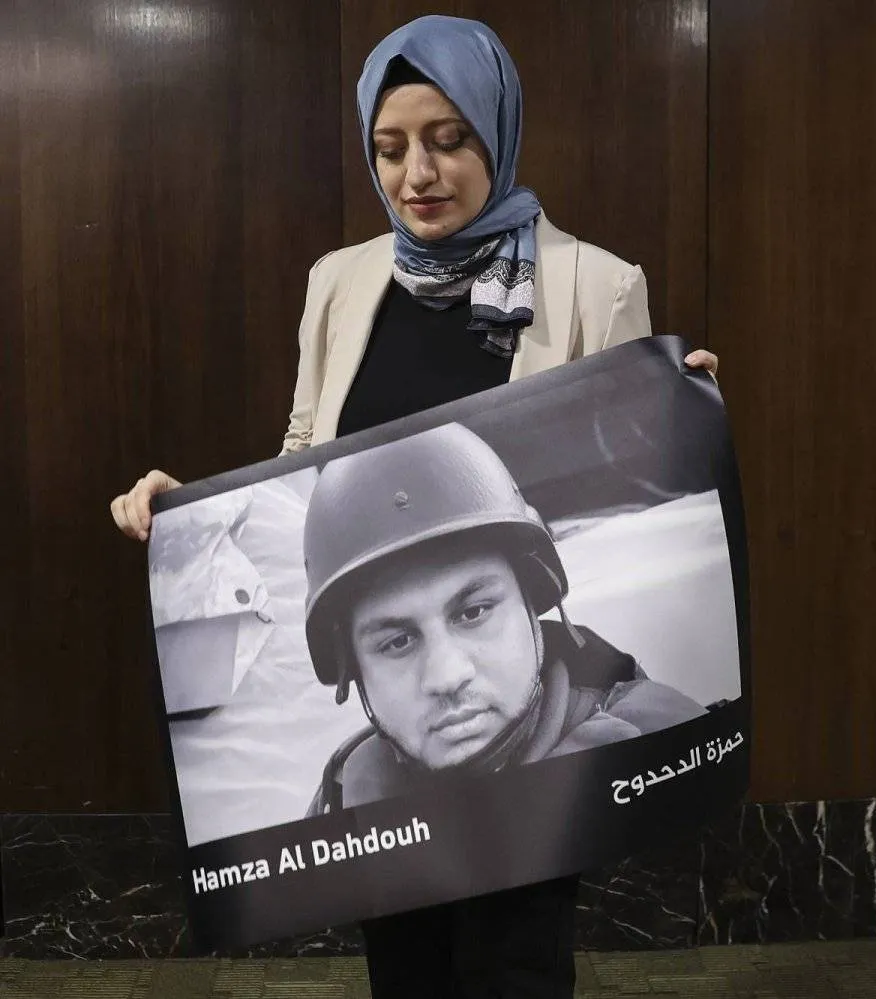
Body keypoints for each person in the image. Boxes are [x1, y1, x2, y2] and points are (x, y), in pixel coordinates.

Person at [109, 14, 719, 997]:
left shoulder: (596, 285)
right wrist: (197, 513)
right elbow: (304, 456)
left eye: (449, 140)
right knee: (404, 964)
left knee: (514, 959)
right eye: (390, 150)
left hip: (532, 742)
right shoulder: (341, 283)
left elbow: (629, 437)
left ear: (497, 132)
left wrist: (680, 400)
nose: (418, 175)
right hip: (405, 758)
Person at [301, 422, 705, 815]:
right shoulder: (341, 802)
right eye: (397, 642)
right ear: (352, 667)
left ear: (532, 599)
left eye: (473, 612)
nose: (447, 676)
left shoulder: (666, 750)